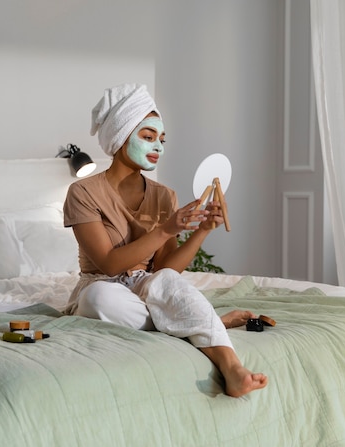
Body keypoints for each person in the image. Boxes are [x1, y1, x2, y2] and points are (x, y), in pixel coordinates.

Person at [63, 83, 267, 397]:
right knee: (99, 299)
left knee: (168, 282)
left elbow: (166, 269)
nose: (158, 145)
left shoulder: (164, 195)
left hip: (145, 284)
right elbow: (108, 262)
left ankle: (233, 368)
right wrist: (166, 230)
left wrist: (201, 231)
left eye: (161, 139)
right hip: (101, 284)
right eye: (147, 136)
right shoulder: (83, 192)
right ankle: (203, 323)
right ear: (120, 137)